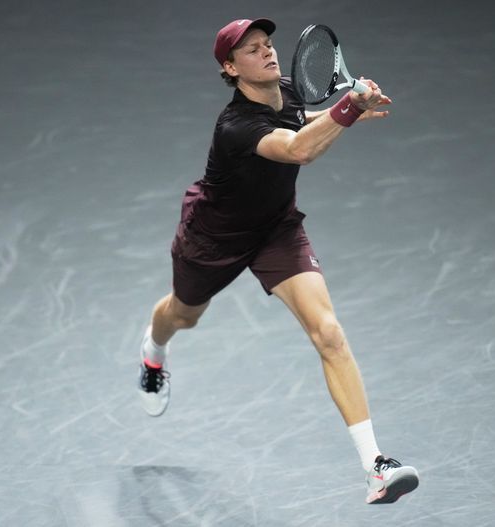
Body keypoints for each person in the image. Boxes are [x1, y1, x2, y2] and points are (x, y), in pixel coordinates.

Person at [137, 18, 419, 504]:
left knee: (328, 333)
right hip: (213, 237)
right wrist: (348, 109)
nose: (267, 53)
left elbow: (300, 126)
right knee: (183, 316)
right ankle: (152, 351)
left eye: (268, 45)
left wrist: (338, 111)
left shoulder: (288, 91)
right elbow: (296, 150)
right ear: (230, 67)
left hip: (276, 230)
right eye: (251, 50)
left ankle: (375, 466)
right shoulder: (234, 126)